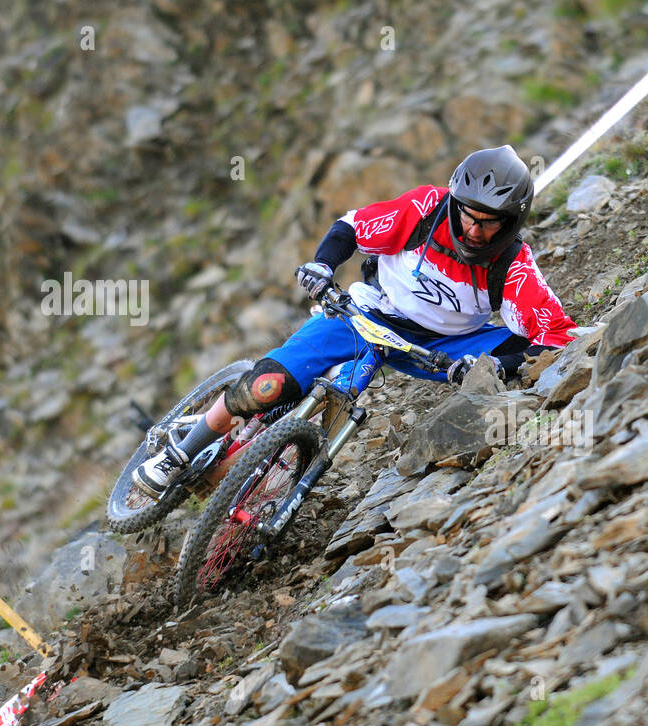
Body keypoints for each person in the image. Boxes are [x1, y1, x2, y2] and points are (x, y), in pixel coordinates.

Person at [134, 145, 576, 497]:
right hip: (367, 312)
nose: (474, 231)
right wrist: (324, 266)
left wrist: (501, 366)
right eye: (468, 215)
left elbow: (556, 336)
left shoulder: (514, 266)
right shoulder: (425, 208)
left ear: (512, 221)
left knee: (510, 364)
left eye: (489, 223)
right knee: (268, 386)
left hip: (442, 345)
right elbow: (352, 225)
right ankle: (178, 453)